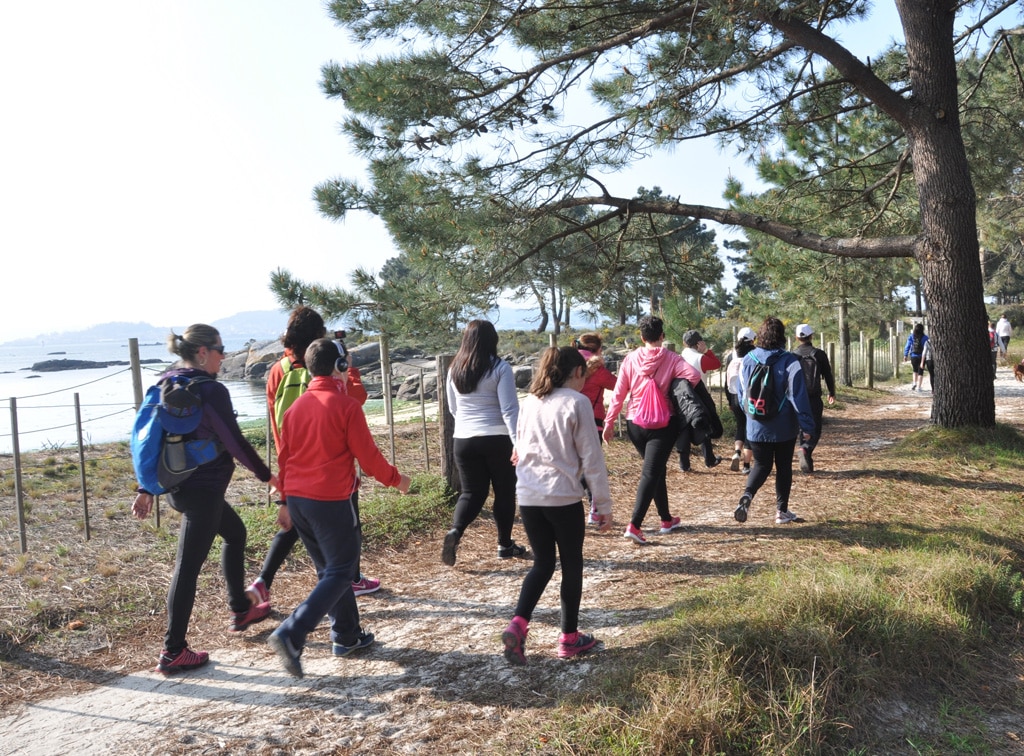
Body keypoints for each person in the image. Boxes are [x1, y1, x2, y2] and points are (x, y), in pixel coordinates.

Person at [131, 324, 280, 674]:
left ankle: (240, 608)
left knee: (236, 533)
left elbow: (147, 437)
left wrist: (146, 487)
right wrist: (268, 476)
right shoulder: (210, 390)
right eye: (220, 349)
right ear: (202, 353)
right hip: (203, 492)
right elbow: (236, 442)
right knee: (187, 569)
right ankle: (173, 650)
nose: (223, 355)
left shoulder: (166, 382)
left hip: (179, 488)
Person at [268, 339, 410, 678]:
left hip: (300, 502)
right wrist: (398, 480)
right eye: (346, 363)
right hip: (330, 501)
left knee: (329, 571)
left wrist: (285, 502)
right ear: (340, 367)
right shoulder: (346, 407)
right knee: (343, 571)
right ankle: (293, 631)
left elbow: (285, 460)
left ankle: (345, 635)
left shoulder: (295, 408)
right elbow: (370, 458)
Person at [250, 307, 379, 608]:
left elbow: (274, 417)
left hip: (293, 457)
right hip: (332, 460)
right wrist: (348, 368)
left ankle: (263, 581)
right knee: (347, 521)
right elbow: (354, 400)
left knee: (296, 522)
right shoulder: (327, 367)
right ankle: (350, 579)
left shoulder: (278, 369)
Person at [501, 347, 613, 665]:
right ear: (578, 372)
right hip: (562, 497)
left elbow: (519, 448)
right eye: (584, 377)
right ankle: (569, 638)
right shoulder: (576, 403)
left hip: (529, 495)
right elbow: (592, 460)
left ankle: (518, 624)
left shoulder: (530, 402)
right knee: (572, 564)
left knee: (543, 564)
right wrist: (602, 505)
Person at [603, 315, 701, 544]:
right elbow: (694, 376)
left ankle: (666, 519)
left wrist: (609, 423)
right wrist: (677, 386)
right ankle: (634, 525)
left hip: (635, 423)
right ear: (662, 336)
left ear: (641, 337)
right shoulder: (672, 359)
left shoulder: (630, 359)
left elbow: (618, 394)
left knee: (655, 470)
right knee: (651, 472)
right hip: (663, 424)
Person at [442, 319, 525, 566]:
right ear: (493, 340)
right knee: (504, 491)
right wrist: (518, 442)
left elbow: (452, 408)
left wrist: (469, 427)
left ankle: (455, 531)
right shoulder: (500, 367)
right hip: (497, 438)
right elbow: (509, 409)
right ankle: (505, 544)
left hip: (464, 439)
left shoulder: (454, 368)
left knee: (471, 492)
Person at [733, 317, 815, 525]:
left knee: (761, 465)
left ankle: (747, 495)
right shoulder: (790, 361)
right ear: (783, 337)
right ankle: (782, 511)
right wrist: (807, 426)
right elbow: (798, 397)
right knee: (784, 467)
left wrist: (752, 418)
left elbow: (742, 395)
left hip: (755, 425)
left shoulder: (748, 359)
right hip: (784, 426)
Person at [573, 332, 617, 524]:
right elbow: (617, 384)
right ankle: (595, 509)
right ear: (599, 349)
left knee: (573, 465)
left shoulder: (568, 364)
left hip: (567, 423)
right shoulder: (598, 369)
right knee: (591, 466)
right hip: (593, 422)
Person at [791, 324, 836, 474]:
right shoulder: (819, 354)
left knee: (801, 427)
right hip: (814, 396)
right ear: (811, 336)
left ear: (797, 338)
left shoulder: (792, 355)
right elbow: (828, 375)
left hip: (796, 397)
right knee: (815, 427)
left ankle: (807, 460)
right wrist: (831, 392)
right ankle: (806, 448)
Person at [677, 329, 723, 470]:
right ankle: (709, 459)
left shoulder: (680, 355)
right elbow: (716, 364)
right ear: (699, 343)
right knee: (703, 425)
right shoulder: (700, 358)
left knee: (683, 427)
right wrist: (706, 351)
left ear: (684, 343)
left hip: (681, 394)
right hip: (698, 393)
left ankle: (684, 464)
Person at [725, 327, 757, 473]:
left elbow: (726, 381)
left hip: (734, 396)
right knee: (749, 428)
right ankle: (746, 465)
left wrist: (730, 401)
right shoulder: (755, 354)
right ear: (753, 340)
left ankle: (737, 452)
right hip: (750, 397)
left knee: (740, 426)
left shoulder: (730, 356)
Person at [903, 323, 929, 391]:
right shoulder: (925, 338)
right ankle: (919, 387)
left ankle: (914, 383)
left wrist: (905, 355)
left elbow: (907, 346)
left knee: (915, 370)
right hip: (922, 356)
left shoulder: (911, 337)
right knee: (921, 371)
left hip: (913, 356)